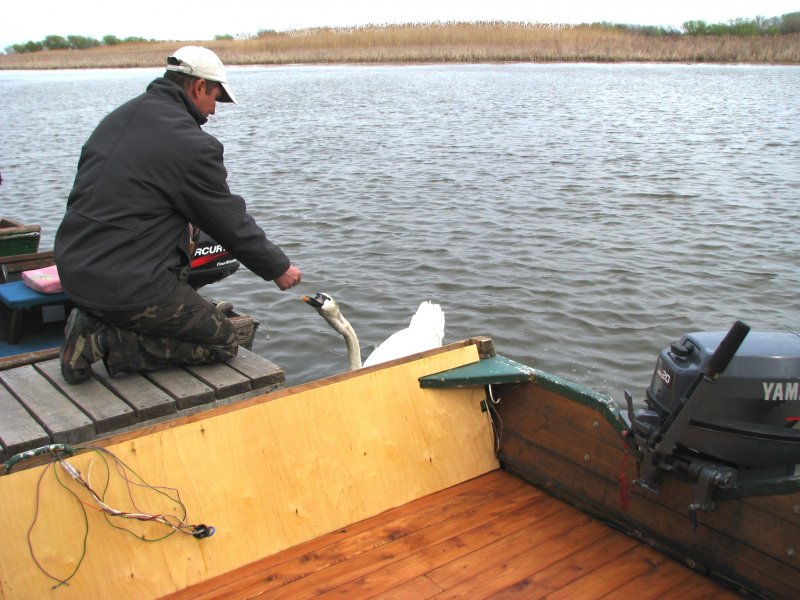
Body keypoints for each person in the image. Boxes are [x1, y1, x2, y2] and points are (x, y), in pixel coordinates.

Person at [54, 46, 302, 384]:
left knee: (193, 228)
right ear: (198, 86)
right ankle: (104, 340)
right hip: (124, 285)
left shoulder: (120, 117)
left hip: (75, 268)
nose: (214, 109)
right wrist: (278, 268)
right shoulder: (191, 144)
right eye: (215, 97)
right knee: (223, 341)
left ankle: (110, 318)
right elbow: (228, 221)